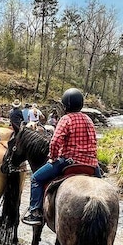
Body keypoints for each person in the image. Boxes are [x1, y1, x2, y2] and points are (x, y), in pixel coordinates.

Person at [22, 88, 100, 226]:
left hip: (68, 162)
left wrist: (52, 157)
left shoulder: (66, 119)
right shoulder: (88, 119)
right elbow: (94, 141)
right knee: (100, 185)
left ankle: (35, 212)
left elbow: (55, 141)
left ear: (65, 105)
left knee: (36, 179)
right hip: (91, 164)